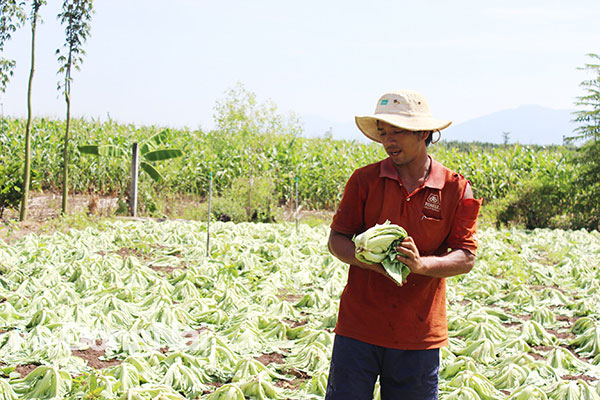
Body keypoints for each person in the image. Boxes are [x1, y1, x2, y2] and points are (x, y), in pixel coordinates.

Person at [325, 90, 481, 399]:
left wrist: (421, 265)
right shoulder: (364, 181)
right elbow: (337, 240)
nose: (388, 141)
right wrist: (371, 263)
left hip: (418, 334)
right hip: (359, 328)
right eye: (384, 133)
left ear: (424, 133)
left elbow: (466, 256)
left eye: (398, 132)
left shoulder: (455, 188)